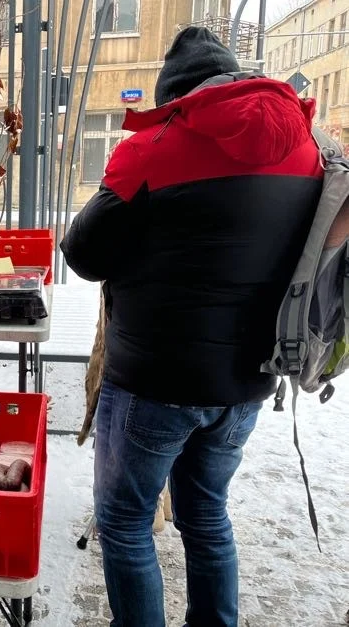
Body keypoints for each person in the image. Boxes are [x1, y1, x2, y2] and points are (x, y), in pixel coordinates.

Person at [61, 27, 323, 627]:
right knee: (206, 514)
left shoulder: (156, 145)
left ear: (177, 95)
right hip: (248, 382)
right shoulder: (306, 146)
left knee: (125, 523)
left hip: (154, 381)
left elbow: (83, 252)